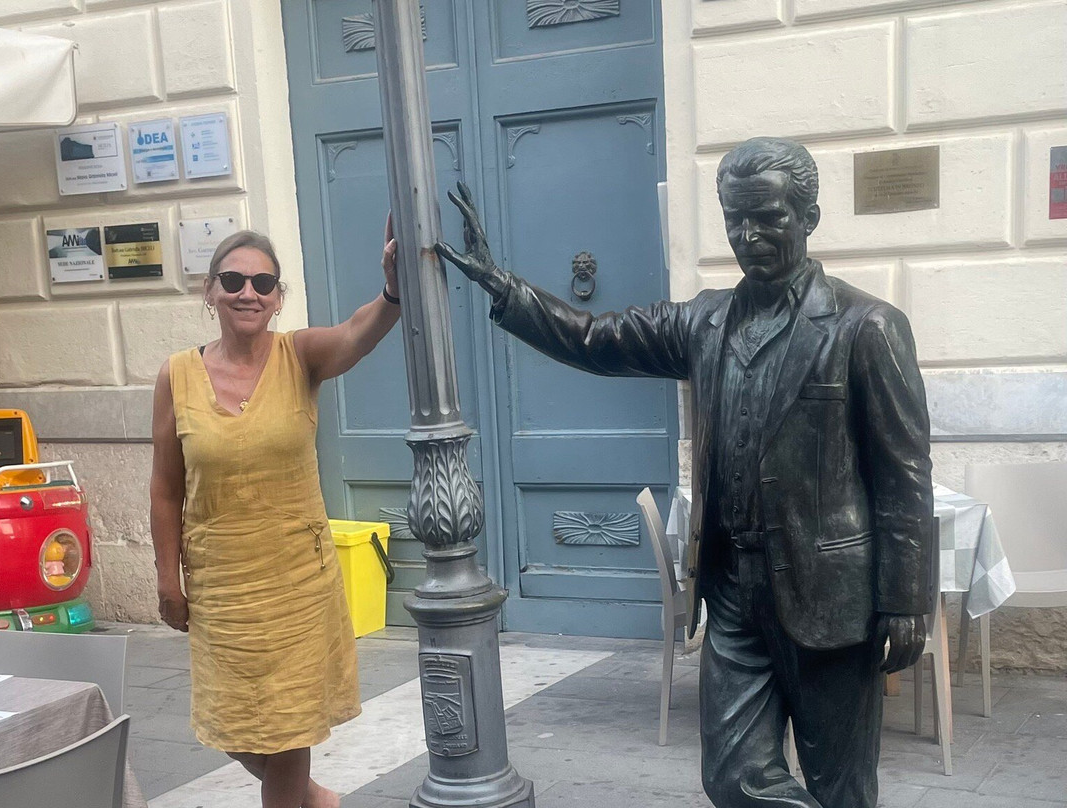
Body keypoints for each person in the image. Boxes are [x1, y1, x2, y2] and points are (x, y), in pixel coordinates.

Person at [436, 137, 934, 808]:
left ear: (809, 217)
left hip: (831, 596)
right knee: (732, 778)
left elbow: (904, 474)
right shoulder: (705, 320)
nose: (747, 235)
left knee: (842, 784)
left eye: (767, 217)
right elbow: (595, 336)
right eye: (735, 218)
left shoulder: (865, 327)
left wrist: (905, 599)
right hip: (733, 592)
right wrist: (509, 291)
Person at [150, 224, 401, 808]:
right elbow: (165, 487)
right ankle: (314, 799)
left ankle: (301, 796)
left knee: (287, 731)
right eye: (233, 280)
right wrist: (168, 578)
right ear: (210, 291)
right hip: (223, 589)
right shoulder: (176, 376)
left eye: (263, 282)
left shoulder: (299, 355)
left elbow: (355, 336)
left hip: (295, 584)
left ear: (279, 296)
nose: (248, 292)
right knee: (233, 724)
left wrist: (391, 294)